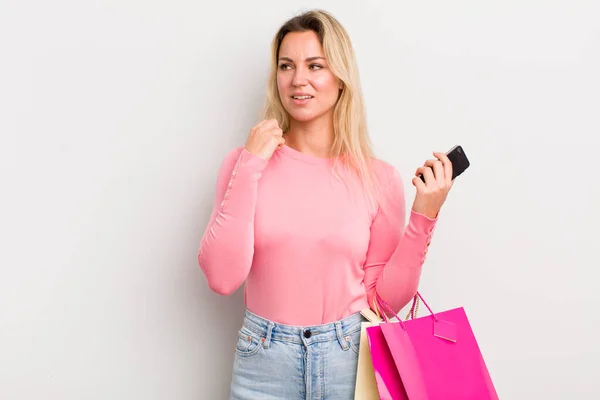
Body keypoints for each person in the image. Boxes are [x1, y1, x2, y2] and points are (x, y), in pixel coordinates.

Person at [198, 9, 455, 400]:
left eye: (314, 65)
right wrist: (250, 165)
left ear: (340, 79)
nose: (298, 79)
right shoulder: (243, 163)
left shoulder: (378, 178)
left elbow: (381, 302)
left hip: (349, 361)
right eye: (286, 66)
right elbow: (221, 277)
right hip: (263, 363)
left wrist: (425, 215)